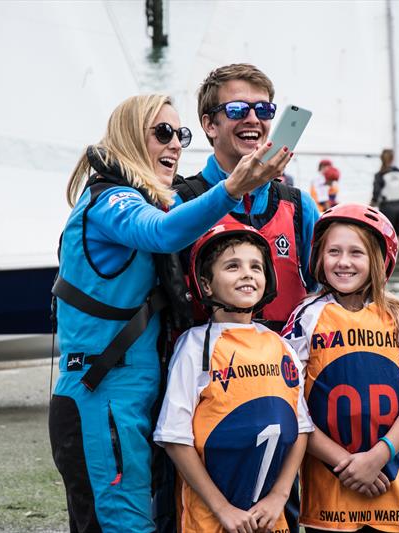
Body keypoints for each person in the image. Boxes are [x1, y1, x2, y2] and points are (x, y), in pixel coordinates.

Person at [48, 94, 290, 533]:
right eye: (163, 133)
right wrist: (232, 186)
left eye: (181, 135)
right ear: (128, 137)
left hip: (133, 399)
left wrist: (250, 178)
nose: (176, 145)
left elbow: (200, 221)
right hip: (100, 399)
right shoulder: (109, 202)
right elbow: (162, 233)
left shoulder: (153, 202)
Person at [283, 203, 399, 532]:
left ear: (379, 260)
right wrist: (345, 463)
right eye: (334, 251)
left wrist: (378, 456)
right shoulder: (307, 316)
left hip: (393, 485)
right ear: (319, 258)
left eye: (356, 253)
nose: (343, 262)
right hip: (330, 490)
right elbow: (290, 404)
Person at [153, 221, 313, 533]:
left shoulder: (281, 345)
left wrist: (279, 496)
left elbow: (301, 428)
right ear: (207, 285)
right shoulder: (195, 346)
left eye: (256, 266)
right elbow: (174, 438)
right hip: (210, 520)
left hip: (271, 519)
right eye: (232, 266)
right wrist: (222, 508)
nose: (247, 274)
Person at [173, 63, 321, 334]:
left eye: (263, 110)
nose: (253, 119)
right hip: (207, 365)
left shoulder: (299, 206)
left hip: (283, 367)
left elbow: (335, 289)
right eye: (237, 109)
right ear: (209, 125)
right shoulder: (181, 202)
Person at [371, 148, 399, 250]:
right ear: (393, 159)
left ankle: (390, 263)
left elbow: (376, 193)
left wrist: (371, 205)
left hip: (387, 208)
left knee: (387, 237)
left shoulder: (379, 175)